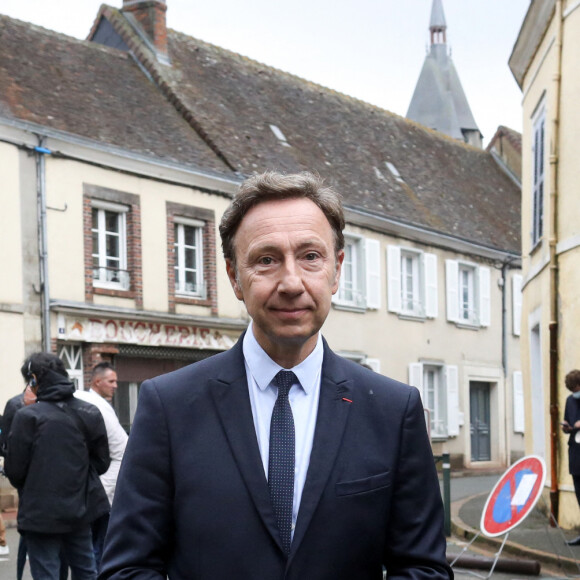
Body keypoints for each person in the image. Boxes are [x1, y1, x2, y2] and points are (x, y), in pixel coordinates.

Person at [100, 171, 452, 579]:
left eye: (310, 256)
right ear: (234, 276)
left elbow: (423, 569)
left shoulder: (393, 410)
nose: (290, 282)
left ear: (336, 270)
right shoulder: (169, 405)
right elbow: (127, 569)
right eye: (266, 260)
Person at [4, 352, 111, 580]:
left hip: (39, 515)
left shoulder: (27, 417)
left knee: (47, 575)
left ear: (34, 380)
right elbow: (101, 463)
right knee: (86, 571)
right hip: (80, 511)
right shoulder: (89, 411)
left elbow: (14, 471)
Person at [75, 362, 128, 569]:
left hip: (97, 492)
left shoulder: (90, 403)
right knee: (97, 552)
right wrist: (103, 490)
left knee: (94, 551)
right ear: (97, 382)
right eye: (111, 381)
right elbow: (122, 450)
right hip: (101, 495)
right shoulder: (94, 406)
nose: (115, 385)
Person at [562, 369, 580, 545]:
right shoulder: (570, 401)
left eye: (576, 389)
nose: (575, 394)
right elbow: (567, 421)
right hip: (576, 452)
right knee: (579, 494)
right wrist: (566, 427)